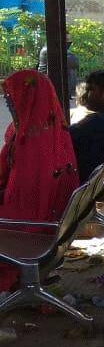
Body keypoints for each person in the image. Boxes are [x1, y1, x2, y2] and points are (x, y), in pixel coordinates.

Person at [0, 71, 79, 292]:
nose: (10, 105)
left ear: (28, 100)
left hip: (28, 231)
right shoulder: (52, 132)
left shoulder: (34, 146)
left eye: (12, 99)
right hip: (49, 227)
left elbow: (20, 203)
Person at [37, 32, 80, 101]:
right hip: (48, 83)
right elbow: (72, 61)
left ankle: (68, 94)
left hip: (56, 84)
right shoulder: (49, 49)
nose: (69, 42)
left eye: (69, 39)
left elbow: (75, 63)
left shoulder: (60, 50)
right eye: (66, 39)